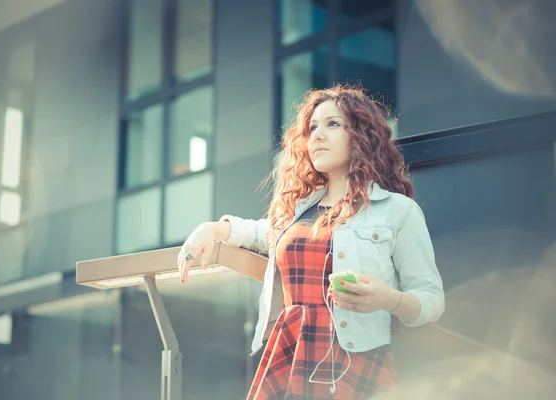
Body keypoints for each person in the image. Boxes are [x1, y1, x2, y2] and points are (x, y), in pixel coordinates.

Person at [177, 84, 445, 399]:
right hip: (291, 353)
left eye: (332, 124)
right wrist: (213, 228)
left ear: (362, 135)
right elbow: (259, 232)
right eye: (312, 127)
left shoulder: (398, 212)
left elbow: (431, 300)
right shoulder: (296, 211)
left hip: (354, 360)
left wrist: (389, 299)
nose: (316, 135)